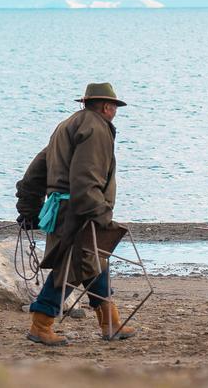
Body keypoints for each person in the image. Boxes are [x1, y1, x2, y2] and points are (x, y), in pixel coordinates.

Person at [15, 82, 136, 346]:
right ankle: (41, 323)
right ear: (106, 106)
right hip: (79, 209)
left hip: (65, 207)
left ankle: (110, 322)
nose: (115, 111)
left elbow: (37, 168)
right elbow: (86, 178)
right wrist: (100, 213)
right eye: (114, 106)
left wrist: (28, 207)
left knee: (94, 261)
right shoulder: (96, 128)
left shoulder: (66, 125)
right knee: (71, 266)